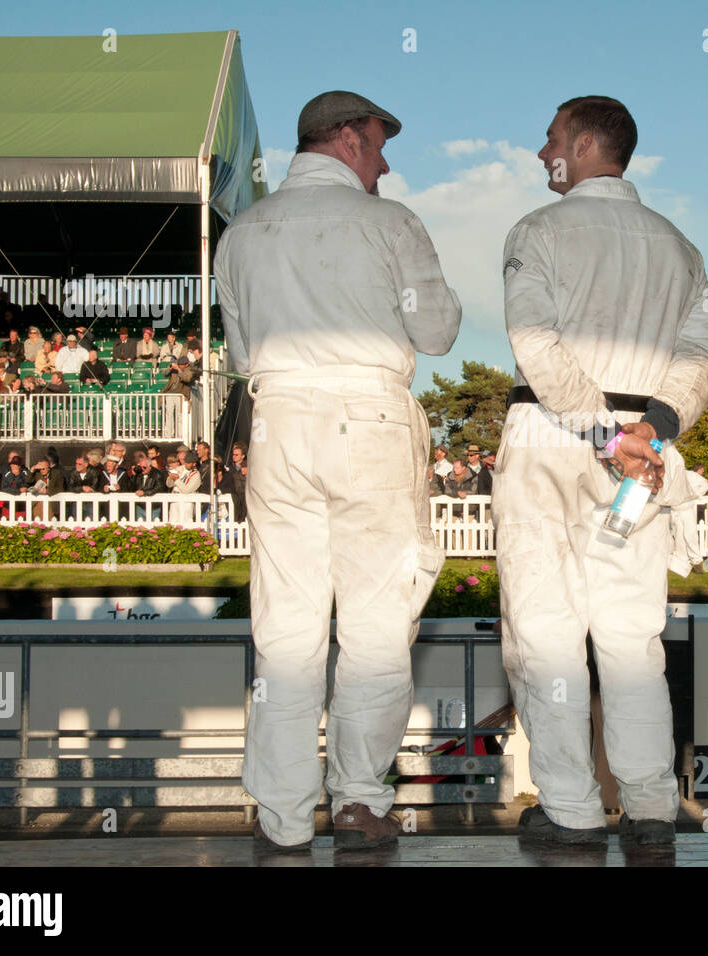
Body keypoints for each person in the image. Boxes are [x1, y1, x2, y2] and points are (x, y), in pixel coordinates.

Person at [214, 89, 461, 852]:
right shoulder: (390, 223)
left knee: (285, 631)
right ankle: (358, 800)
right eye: (380, 144)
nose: (384, 163)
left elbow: (241, 356)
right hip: (370, 420)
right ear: (350, 138)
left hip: (279, 419)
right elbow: (440, 331)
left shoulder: (241, 232)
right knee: (378, 627)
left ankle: (283, 818)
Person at [496, 95, 708, 846]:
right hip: (643, 456)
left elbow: (536, 342)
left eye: (550, 136)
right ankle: (653, 810)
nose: (542, 152)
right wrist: (647, 434)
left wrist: (603, 429)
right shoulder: (681, 247)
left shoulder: (537, 231)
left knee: (546, 634)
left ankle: (571, 808)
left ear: (586, 143)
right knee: (631, 639)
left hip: (554, 438)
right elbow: (704, 362)